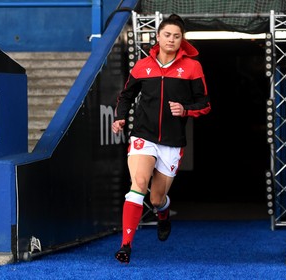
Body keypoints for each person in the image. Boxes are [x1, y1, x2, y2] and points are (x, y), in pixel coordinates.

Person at [111, 13, 211, 264]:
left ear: (182, 40)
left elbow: (205, 103)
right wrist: (120, 117)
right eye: (167, 35)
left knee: (156, 199)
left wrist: (185, 110)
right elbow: (125, 95)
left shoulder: (192, 67)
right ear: (158, 37)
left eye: (177, 36)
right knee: (139, 185)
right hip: (143, 135)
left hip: (172, 141)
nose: (172, 39)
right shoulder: (142, 66)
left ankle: (163, 213)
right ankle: (126, 245)